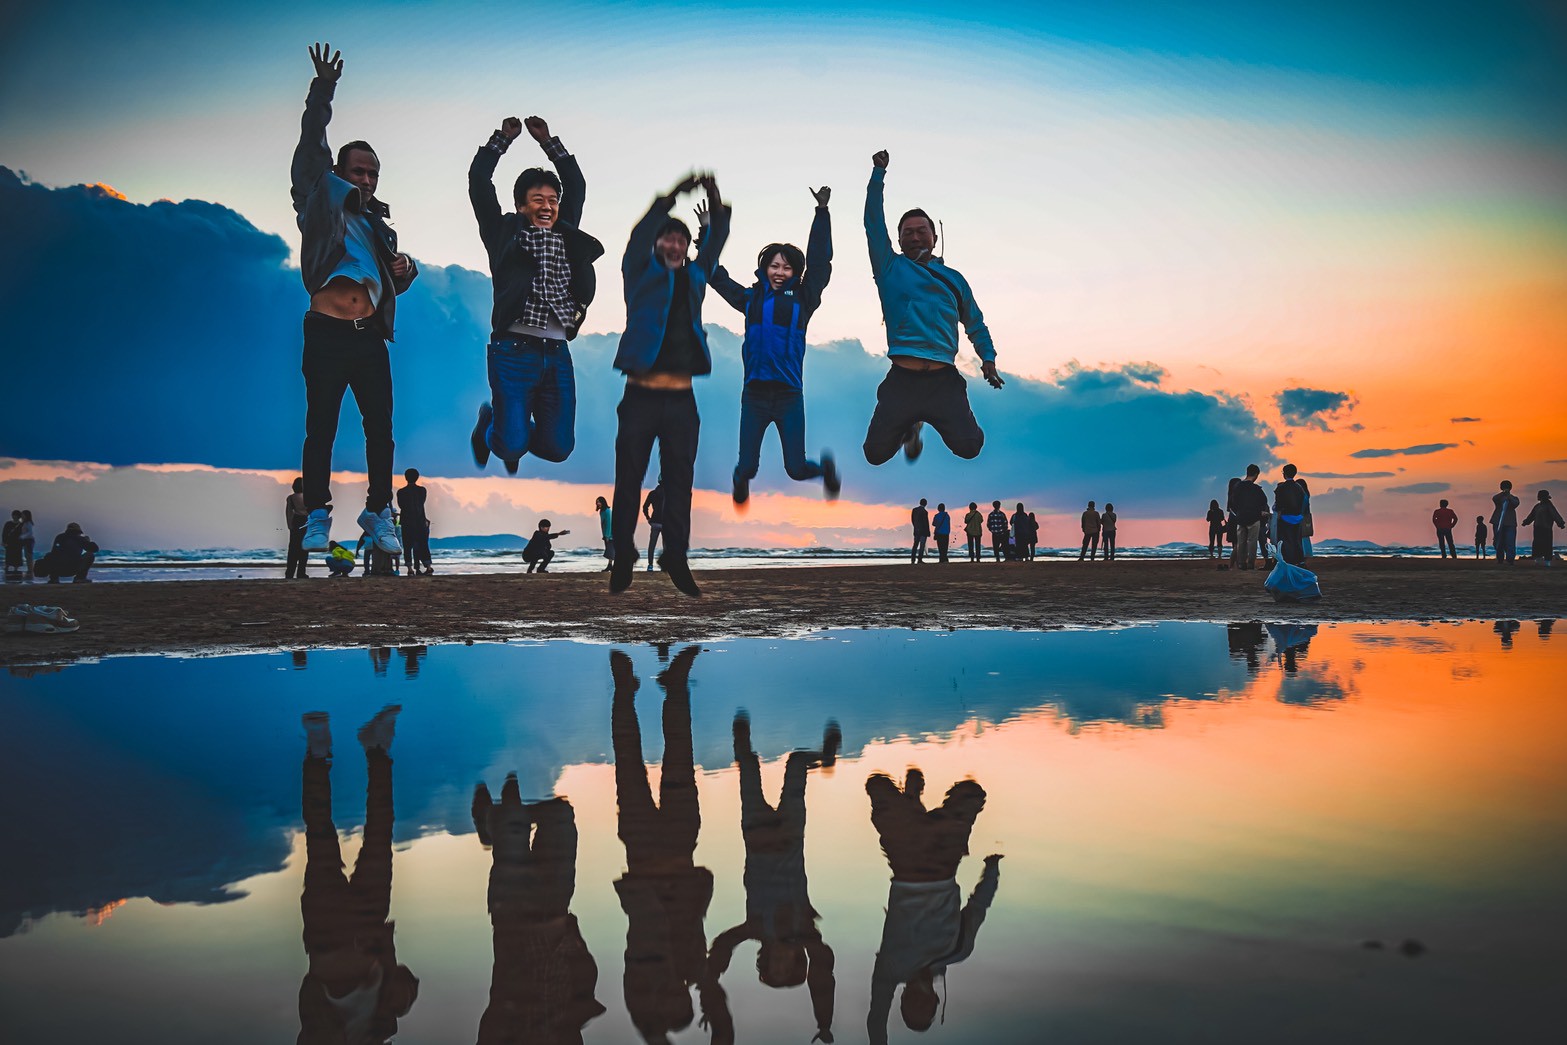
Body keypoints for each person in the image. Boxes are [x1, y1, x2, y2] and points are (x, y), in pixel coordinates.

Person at [291, 43, 419, 559]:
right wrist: (324, 89)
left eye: (372, 174)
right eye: (357, 171)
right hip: (325, 332)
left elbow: (392, 281)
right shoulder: (320, 203)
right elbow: (311, 143)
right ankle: (318, 512)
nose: (365, 180)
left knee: (380, 431)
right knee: (321, 425)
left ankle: (377, 509)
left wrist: (408, 270)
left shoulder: (378, 229)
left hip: (369, 337)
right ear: (341, 174)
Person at [608, 174, 728, 598]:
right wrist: (673, 196)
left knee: (680, 481)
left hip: (681, 400)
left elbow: (714, 244)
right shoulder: (638, 273)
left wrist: (714, 199)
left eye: (681, 241)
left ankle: (676, 554)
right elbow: (639, 235)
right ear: (658, 246)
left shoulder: (696, 277)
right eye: (668, 240)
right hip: (639, 396)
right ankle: (622, 554)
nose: (675, 246)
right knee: (630, 479)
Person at [467, 113, 604, 475]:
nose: (547, 206)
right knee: (510, 445)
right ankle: (492, 425)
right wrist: (502, 140)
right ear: (521, 205)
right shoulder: (503, 233)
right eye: (537, 199)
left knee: (558, 449)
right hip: (513, 351)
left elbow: (577, 184)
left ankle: (507, 425)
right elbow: (479, 181)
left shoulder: (566, 232)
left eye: (552, 200)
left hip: (557, 353)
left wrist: (549, 143)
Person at [608, 647, 726, 1043]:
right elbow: (723, 1030)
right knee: (679, 754)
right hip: (677, 844)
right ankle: (674, 686)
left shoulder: (642, 980)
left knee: (628, 758)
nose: (674, 995)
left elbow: (643, 1012)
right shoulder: (695, 965)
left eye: (667, 1006)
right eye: (682, 1002)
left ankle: (625, 690)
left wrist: (656, 1035)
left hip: (643, 850)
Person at [861, 150, 1003, 466]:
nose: (914, 236)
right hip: (903, 378)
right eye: (907, 232)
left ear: (934, 236)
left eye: (921, 230)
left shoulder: (954, 279)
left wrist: (988, 358)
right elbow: (872, 222)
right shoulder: (890, 268)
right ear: (897, 240)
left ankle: (919, 420)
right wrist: (878, 174)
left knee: (970, 447)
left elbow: (975, 323)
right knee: (875, 454)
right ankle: (909, 424)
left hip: (943, 381)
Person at [706, 713, 840, 1044]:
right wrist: (824, 1022)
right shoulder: (805, 933)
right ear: (797, 961)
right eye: (787, 966)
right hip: (790, 837)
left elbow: (723, 943)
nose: (780, 960)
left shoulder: (754, 928)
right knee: (796, 763)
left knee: (748, 768)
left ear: (764, 959)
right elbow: (823, 971)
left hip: (757, 835)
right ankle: (824, 758)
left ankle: (741, 741)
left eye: (773, 967)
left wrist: (707, 980)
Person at [709, 187, 841, 505]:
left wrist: (821, 211)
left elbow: (821, 263)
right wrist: (706, 233)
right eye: (774, 266)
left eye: (786, 268)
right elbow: (715, 276)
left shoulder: (804, 299)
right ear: (764, 268)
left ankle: (824, 472)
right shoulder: (750, 299)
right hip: (754, 394)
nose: (779, 273)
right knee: (748, 466)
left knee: (795, 469)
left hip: (789, 396)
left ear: (795, 272)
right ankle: (740, 481)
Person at [297, 707, 419, 1044]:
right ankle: (376, 749)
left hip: (327, 934)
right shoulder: (384, 1027)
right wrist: (400, 996)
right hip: (371, 929)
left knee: (321, 835)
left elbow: (308, 999)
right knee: (380, 833)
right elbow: (407, 980)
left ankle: (318, 754)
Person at [864, 769, 1001, 1045]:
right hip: (943, 859)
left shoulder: (890, 969)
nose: (917, 996)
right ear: (935, 998)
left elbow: (877, 1017)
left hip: (905, 861)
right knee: (972, 793)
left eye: (910, 1002)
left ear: (901, 997)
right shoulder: (958, 950)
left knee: (877, 786)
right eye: (923, 1003)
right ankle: (914, 803)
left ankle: (912, 801)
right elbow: (978, 907)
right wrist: (992, 869)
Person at [470, 782, 605, 1043]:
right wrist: (571, 939)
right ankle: (496, 825)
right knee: (560, 814)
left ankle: (499, 824)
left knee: (511, 818)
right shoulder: (569, 1030)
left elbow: (490, 1026)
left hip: (513, 912)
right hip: (556, 906)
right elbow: (584, 977)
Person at [1229, 465, 1269, 570]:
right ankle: (1251, 563)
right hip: (1254, 517)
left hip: (1241, 517)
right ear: (1256, 474)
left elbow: (1233, 502)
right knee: (1252, 542)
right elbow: (1264, 501)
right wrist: (1259, 512)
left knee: (1241, 542)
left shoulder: (1237, 487)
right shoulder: (1256, 489)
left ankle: (1241, 563)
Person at [397, 469, 432, 576]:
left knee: (408, 545)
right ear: (417, 477)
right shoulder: (422, 490)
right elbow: (422, 503)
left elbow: (401, 506)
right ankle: (428, 566)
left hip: (407, 521)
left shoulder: (401, 492)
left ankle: (410, 569)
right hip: (420, 520)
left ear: (405, 477)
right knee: (422, 545)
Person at [1273, 464, 1308, 565]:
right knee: (1297, 540)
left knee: (1285, 541)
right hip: (1297, 517)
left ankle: (1287, 561)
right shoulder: (1299, 488)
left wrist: (1277, 510)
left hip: (1285, 517)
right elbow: (1303, 502)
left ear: (1284, 474)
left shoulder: (1281, 488)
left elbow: (1278, 505)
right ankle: (1299, 560)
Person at [1521, 490, 1564, 564]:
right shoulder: (1537, 506)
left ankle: (1547, 561)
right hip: (1537, 528)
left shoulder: (1549, 506)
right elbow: (1531, 516)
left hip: (1546, 528)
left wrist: (1560, 523)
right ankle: (1538, 560)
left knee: (1547, 545)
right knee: (1537, 544)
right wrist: (1526, 522)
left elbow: (1555, 515)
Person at [284, 477, 310, 579]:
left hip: (296, 522)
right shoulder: (308, 497)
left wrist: (290, 525)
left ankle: (290, 572)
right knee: (304, 549)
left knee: (293, 549)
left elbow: (289, 513)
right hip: (307, 522)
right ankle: (301, 572)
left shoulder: (291, 498)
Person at [1491, 480, 1521, 563]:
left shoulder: (1514, 498)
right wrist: (1503, 494)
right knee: (1499, 541)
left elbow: (1516, 503)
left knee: (1510, 541)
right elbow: (1494, 499)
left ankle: (1510, 559)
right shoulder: (1498, 497)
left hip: (1510, 523)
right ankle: (1500, 558)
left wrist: (1509, 496)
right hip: (1498, 522)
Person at [641, 480, 665, 572]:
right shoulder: (669, 493)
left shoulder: (652, 493)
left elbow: (645, 507)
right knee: (666, 545)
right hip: (665, 522)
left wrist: (648, 518)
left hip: (654, 521)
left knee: (652, 545)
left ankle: (650, 565)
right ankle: (664, 566)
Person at [596, 496, 614, 572]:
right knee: (609, 550)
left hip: (611, 534)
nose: (597, 503)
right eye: (597, 502)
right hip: (606, 534)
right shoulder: (602, 511)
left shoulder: (607, 511)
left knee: (610, 550)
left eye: (599, 502)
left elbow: (609, 523)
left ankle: (610, 566)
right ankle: (610, 565)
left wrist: (607, 535)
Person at [17, 509, 35, 583]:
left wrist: (22, 536)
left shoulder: (28, 523)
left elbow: (30, 532)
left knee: (29, 555)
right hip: (26, 540)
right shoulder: (24, 523)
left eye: (23, 514)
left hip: (29, 540)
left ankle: (30, 570)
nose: (22, 516)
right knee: (27, 555)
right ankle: (29, 569)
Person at [910, 498, 930, 564]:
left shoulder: (914, 510)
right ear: (925, 504)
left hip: (916, 530)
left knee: (915, 545)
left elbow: (912, 520)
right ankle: (919, 559)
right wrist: (928, 532)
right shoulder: (925, 512)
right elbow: (926, 523)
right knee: (922, 546)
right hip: (923, 531)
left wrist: (915, 527)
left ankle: (913, 560)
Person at [3, 510, 21, 578]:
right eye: (13, 515)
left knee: (17, 555)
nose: (14, 516)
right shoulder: (8, 523)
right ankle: (7, 566)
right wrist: (4, 541)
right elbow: (4, 533)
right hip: (10, 542)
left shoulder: (21, 524)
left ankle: (16, 568)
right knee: (8, 554)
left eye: (15, 515)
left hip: (17, 542)